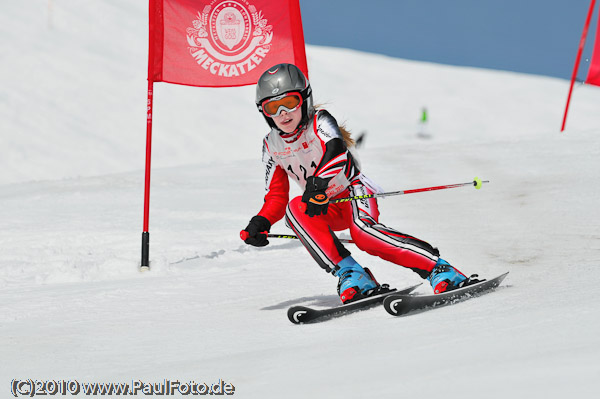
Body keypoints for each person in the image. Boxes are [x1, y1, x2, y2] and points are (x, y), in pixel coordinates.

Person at [240, 63, 478, 304]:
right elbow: (277, 195)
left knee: (364, 234)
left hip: (352, 192)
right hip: (322, 205)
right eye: (272, 107)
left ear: (304, 99)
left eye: (289, 102)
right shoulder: (272, 145)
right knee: (294, 211)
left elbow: (336, 152)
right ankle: (351, 273)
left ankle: (439, 269)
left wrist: (318, 184)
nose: (282, 112)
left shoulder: (319, 121)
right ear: (264, 112)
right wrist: (262, 221)